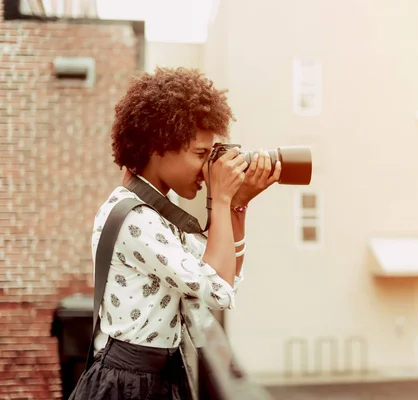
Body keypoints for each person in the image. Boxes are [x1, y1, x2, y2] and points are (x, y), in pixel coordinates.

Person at [69, 67, 280, 400]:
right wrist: (222, 198)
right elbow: (218, 290)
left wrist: (237, 205)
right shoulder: (136, 218)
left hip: (154, 377)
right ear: (158, 147)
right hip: (129, 386)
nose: (207, 168)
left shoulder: (156, 213)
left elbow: (225, 275)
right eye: (200, 154)